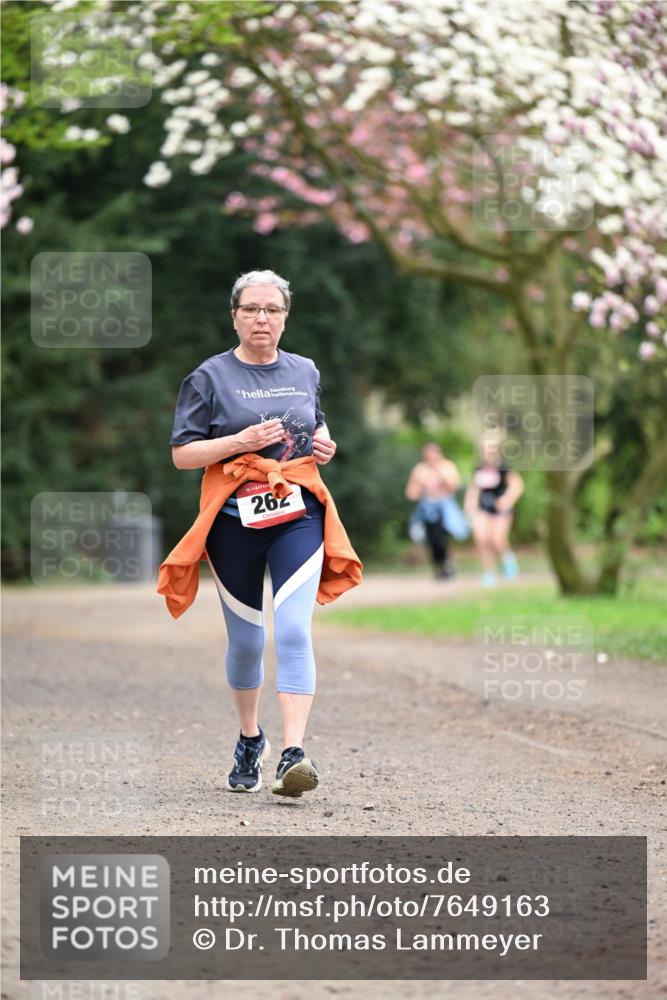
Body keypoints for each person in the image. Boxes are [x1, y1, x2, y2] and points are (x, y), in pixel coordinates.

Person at [164, 269, 361, 798]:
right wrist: (240, 441)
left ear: (285, 317)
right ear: (235, 316)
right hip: (234, 524)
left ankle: (293, 753)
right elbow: (183, 455)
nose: (261, 319)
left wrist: (325, 442)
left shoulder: (304, 370)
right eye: (251, 309)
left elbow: (314, 422)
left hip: (298, 515)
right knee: (248, 640)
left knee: (293, 631)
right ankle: (251, 738)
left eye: (272, 310)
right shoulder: (208, 377)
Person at [464, 434, 524, 587]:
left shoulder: (503, 468)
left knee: (497, 540)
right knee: (481, 539)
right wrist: (470, 505)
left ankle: (509, 562)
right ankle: (488, 572)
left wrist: (507, 499)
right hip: (483, 507)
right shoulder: (479, 468)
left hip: (500, 508)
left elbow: (517, 485)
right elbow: (474, 489)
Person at [405, 443, 464, 579]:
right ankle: (439, 567)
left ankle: (447, 564)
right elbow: (411, 493)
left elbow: (454, 486)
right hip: (427, 510)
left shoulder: (447, 467)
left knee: (441, 539)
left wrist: (440, 475)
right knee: (431, 540)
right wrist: (421, 488)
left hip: (444, 509)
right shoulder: (420, 470)